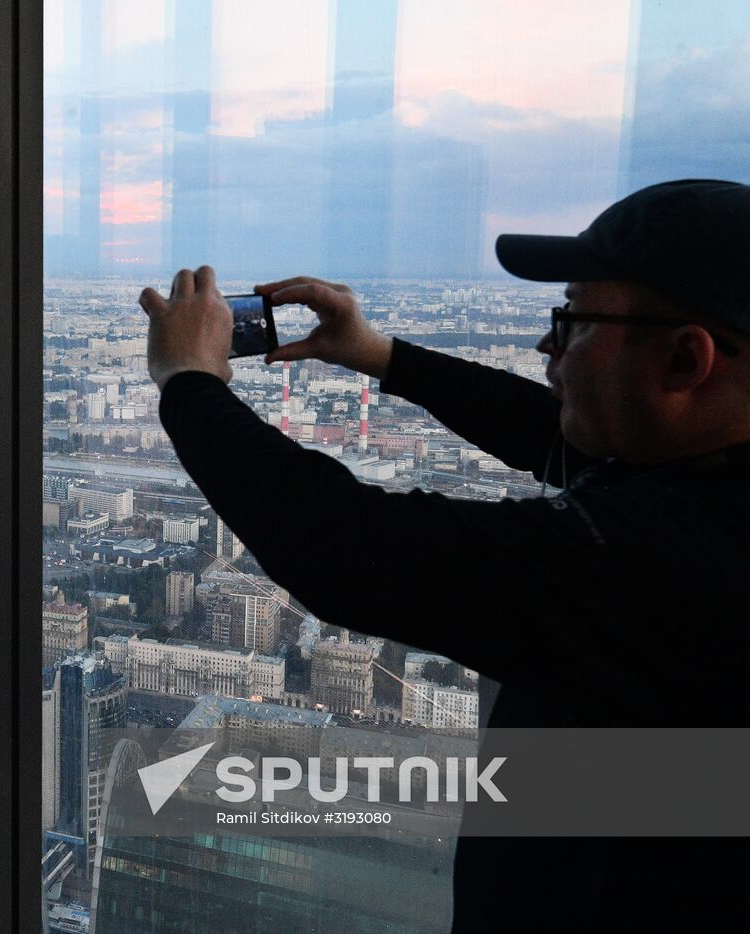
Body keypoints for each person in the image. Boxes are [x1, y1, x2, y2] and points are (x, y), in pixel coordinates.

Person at [138, 179, 750, 931]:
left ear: (687, 361)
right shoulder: (702, 478)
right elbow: (553, 432)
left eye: (574, 319)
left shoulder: (673, 561)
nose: (546, 345)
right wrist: (378, 355)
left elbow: (348, 547)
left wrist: (190, 383)